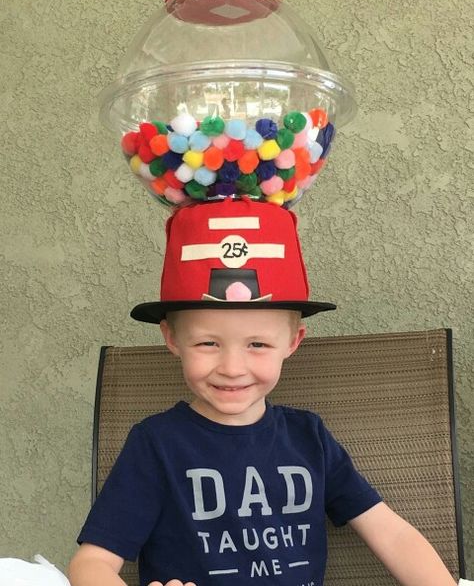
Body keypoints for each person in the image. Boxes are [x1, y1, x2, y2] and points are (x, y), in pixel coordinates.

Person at [68, 199, 457, 586]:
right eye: (207, 344)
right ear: (172, 338)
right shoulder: (155, 444)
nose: (232, 367)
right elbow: (92, 563)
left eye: (257, 345)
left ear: (293, 341)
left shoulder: (310, 437)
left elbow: (392, 533)